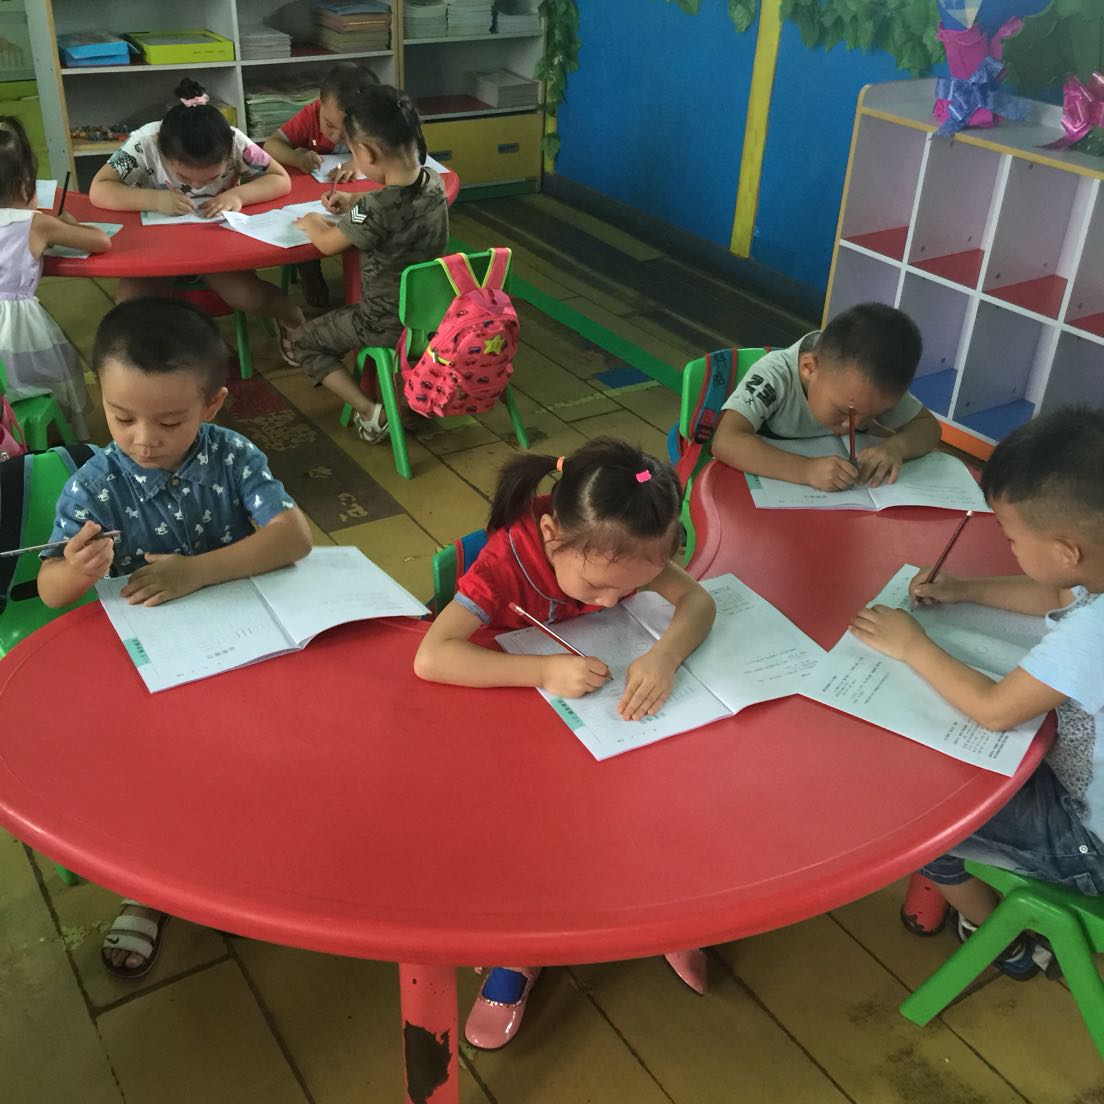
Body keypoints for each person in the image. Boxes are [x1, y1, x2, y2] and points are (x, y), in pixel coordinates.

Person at [37, 297, 312, 977]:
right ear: (101, 396)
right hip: (147, 657)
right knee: (152, 769)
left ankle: (236, 861)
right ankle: (147, 889)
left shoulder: (233, 456)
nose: (143, 441)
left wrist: (198, 571)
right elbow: (48, 589)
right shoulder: (95, 486)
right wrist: (75, 571)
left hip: (239, 638)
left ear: (212, 405)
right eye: (121, 418)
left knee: (255, 752)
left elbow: (294, 537)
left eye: (169, 422)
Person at [414, 437, 717, 1048]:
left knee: (660, 785)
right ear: (552, 535)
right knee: (538, 826)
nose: (610, 601)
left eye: (630, 588)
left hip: (595, 714)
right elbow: (431, 657)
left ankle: (662, 908)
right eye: (598, 586)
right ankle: (520, 951)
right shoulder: (505, 564)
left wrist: (664, 656)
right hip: (511, 718)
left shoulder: (626, 543)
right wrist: (545, 671)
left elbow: (699, 601)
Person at [850, 407, 1104, 979]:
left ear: (1066, 551)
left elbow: (993, 710)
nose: (1008, 547)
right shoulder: (1094, 574)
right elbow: (1058, 597)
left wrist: (911, 644)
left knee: (920, 820)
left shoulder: (1097, 631)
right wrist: (965, 588)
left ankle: (1006, 941)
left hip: (1090, 846)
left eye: (1011, 538)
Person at [88, 78, 304, 363]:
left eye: (211, 178)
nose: (198, 185)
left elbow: (279, 179)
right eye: (185, 177)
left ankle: (293, 318)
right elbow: (99, 189)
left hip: (215, 244)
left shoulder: (234, 140)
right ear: (163, 152)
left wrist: (238, 194)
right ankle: (152, 355)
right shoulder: (144, 143)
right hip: (157, 246)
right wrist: (154, 200)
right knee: (131, 303)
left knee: (248, 296)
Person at [290, 84, 448, 444]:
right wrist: (355, 203)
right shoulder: (434, 183)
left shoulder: (374, 210)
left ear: (367, 153)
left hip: (382, 323)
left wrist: (312, 222)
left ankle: (370, 411)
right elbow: (396, 200)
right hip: (432, 318)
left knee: (304, 341)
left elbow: (328, 243)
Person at [710, 303, 941, 492]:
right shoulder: (775, 376)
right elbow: (726, 440)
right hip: (756, 494)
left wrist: (896, 447)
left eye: (875, 415)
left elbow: (927, 426)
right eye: (843, 412)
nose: (853, 425)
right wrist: (806, 470)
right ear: (809, 368)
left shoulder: (871, 388)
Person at [0, 115, 111, 437]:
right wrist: (70, 224)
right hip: (18, 333)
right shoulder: (37, 223)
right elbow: (100, 242)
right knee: (55, 375)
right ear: (25, 186)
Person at [263, 62, 380, 307]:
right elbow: (271, 145)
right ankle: (309, 267)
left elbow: (383, 154)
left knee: (365, 224)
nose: (336, 136)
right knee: (303, 223)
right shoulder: (310, 115)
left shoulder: (375, 124)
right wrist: (297, 158)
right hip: (314, 197)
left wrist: (356, 162)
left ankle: (363, 279)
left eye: (347, 132)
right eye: (329, 125)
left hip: (357, 201)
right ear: (320, 103)